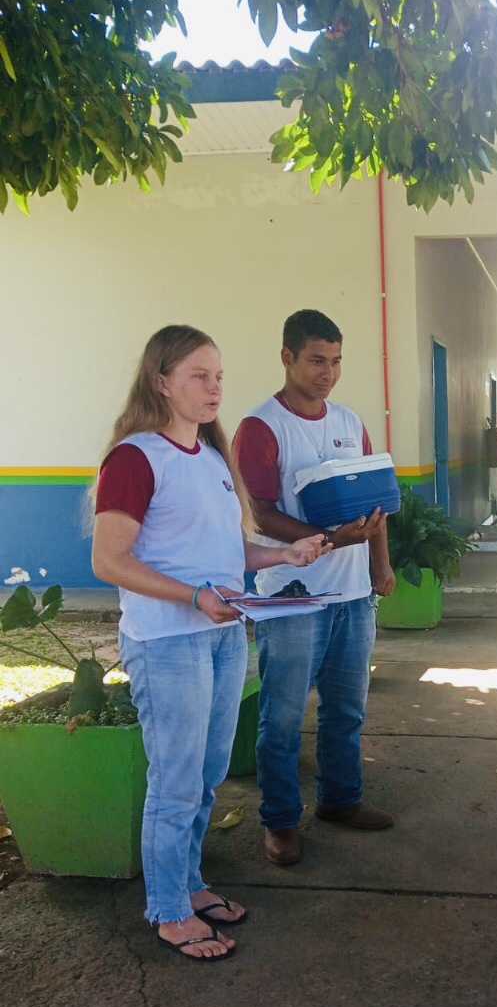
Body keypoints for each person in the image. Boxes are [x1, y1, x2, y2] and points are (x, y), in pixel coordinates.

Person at [92, 325, 329, 962]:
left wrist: (284, 552)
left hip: (224, 636)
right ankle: (168, 909)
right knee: (174, 782)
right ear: (161, 381)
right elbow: (109, 560)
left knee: (205, 776)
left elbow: (227, 553)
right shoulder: (136, 458)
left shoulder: (212, 457)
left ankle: (189, 883)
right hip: (168, 642)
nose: (214, 386)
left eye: (219, 375)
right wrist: (194, 595)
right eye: (199, 375)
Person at [233, 309, 396, 868]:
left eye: (336, 361)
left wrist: (379, 562)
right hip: (292, 594)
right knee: (281, 718)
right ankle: (279, 822)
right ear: (287, 358)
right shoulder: (261, 427)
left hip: (353, 595)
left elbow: (378, 505)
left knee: (346, 710)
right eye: (316, 360)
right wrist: (329, 537)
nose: (328, 372)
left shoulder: (350, 422)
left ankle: (340, 800)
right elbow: (259, 514)